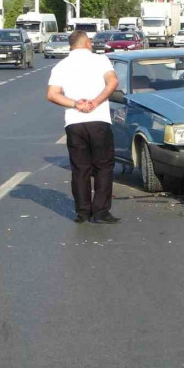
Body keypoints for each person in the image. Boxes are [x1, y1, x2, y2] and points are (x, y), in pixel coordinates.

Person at [46, 31, 120, 224]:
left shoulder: (60, 66)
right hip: (99, 120)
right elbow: (113, 82)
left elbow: (52, 94)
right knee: (103, 166)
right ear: (87, 43)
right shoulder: (100, 60)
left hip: (74, 122)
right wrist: (95, 102)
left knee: (80, 169)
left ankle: (83, 212)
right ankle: (101, 212)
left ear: (71, 45)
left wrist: (76, 104)